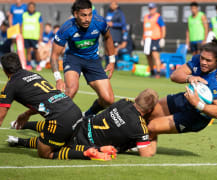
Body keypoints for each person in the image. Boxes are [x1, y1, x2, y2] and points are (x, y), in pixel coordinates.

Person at [0, 53, 110, 160]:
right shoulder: (33, 75)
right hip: (75, 110)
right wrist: (27, 113)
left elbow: (1, 116)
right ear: (20, 64)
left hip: (59, 119)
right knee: (65, 144)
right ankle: (98, 149)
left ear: (4, 70)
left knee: (44, 152)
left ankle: (86, 155)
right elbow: (46, 101)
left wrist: (27, 113)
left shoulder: (10, 86)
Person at [8, 88, 158, 159]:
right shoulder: (140, 127)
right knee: (55, 146)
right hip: (86, 142)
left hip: (82, 123)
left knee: (54, 131)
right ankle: (20, 141)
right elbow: (146, 154)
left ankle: (20, 125)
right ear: (150, 109)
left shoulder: (124, 102)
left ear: (137, 98)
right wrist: (156, 132)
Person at [147, 39, 217, 151]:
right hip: (185, 99)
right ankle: (142, 146)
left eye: (208, 60)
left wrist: (198, 104)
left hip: (196, 116)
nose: (203, 62)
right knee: (148, 113)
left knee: (152, 127)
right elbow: (174, 75)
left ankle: (138, 147)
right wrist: (189, 77)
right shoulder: (196, 60)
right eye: (202, 58)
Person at [50, 0, 115, 117]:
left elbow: (108, 38)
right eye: (84, 15)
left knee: (108, 99)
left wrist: (112, 61)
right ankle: (54, 120)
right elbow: (54, 55)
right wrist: (58, 79)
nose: (88, 19)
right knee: (71, 90)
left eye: (90, 14)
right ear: (75, 14)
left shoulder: (99, 22)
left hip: (93, 60)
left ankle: (87, 115)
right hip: (73, 59)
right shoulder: (67, 28)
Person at [142, 3, 166, 78]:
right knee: (148, 56)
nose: (151, 10)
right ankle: (152, 72)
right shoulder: (146, 17)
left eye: (152, 8)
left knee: (155, 56)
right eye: (149, 8)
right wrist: (143, 38)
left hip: (155, 39)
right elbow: (145, 29)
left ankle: (158, 73)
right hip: (147, 39)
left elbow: (163, 27)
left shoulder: (158, 17)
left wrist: (162, 38)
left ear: (155, 9)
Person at [21, 2, 43, 71]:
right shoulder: (24, 15)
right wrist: (21, 34)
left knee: (36, 51)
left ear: (34, 8)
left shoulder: (38, 15)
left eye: (32, 7)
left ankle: (38, 64)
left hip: (35, 37)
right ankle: (29, 64)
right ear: (28, 8)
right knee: (28, 51)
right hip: (26, 36)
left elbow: (41, 26)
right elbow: (21, 25)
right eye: (30, 7)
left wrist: (40, 35)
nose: (31, 8)